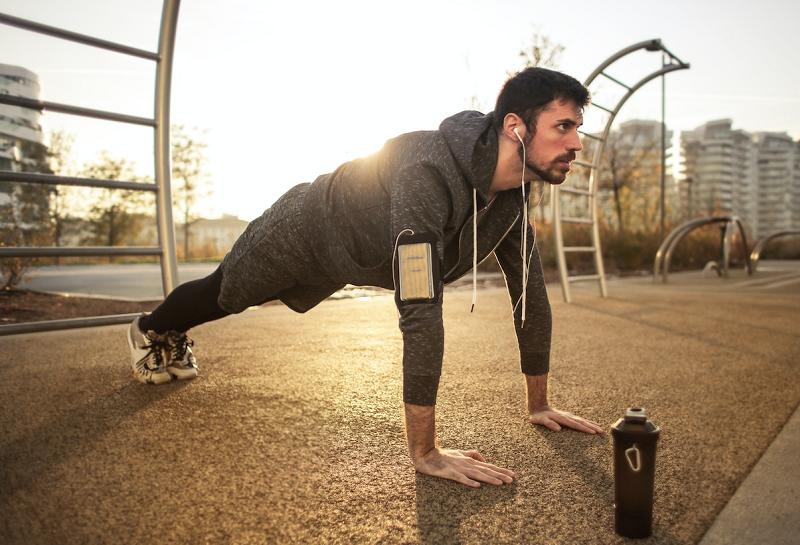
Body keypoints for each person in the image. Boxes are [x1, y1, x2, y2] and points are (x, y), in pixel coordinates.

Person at [127, 67, 604, 488]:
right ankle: (151, 327)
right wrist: (425, 451)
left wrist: (538, 405)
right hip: (305, 227)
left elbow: (531, 296)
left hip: (356, 256)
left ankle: (165, 329)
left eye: (578, 129)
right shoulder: (427, 172)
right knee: (225, 294)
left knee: (229, 294)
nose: (577, 143)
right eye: (563, 127)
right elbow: (420, 304)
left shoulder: (513, 200)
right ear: (515, 127)